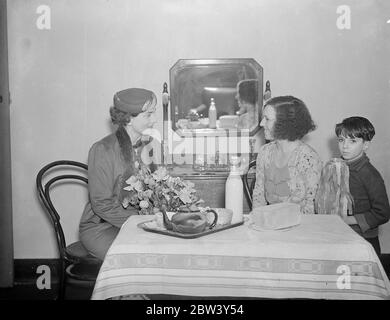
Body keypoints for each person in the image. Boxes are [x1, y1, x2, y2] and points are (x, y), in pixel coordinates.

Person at [79, 88, 157, 260]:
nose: (154, 120)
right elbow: (101, 205)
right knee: (145, 255)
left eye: (154, 113)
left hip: (136, 222)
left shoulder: (146, 146)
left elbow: (153, 189)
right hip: (102, 228)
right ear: (128, 119)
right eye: (148, 115)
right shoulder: (102, 150)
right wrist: (142, 222)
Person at [252, 96, 322, 214]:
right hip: (269, 223)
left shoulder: (308, 158)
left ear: (285, 124)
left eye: (267, 119)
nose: (261, 123)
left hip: (298, 225)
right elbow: (259, 196)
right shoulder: (265, 152)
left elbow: (310, 206)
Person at [334, 116, 390, 255]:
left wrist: (348, 219)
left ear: (365, 145)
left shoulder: (369, 174)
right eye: (341, 140)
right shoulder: (336, 167)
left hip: (363, 240)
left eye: (352, 141)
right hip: (340, 235)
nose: (345, 146)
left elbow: (383, 212)